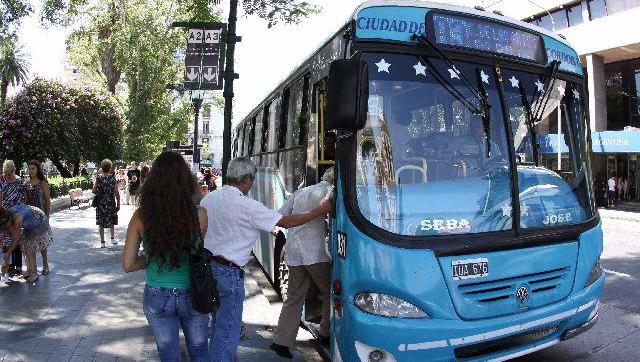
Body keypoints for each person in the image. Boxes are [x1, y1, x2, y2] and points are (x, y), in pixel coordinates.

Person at [200, 156, 332, 362]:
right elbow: (285, 222)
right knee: (228, 331)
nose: (252, 183)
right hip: (229, 274)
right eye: (252, 179)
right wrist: (320, 210)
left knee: (218, 326)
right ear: (245, 179)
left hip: (207, 270)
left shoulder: (209, 199)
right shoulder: (248, 206)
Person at [122, 151, 209, 362]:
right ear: (186, 180)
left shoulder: (141, 216)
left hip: (157, 295)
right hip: (193, 293)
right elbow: (195, 252)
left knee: (168, 354)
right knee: (199, 352)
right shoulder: (200, 214)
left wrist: (150, 258)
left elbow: (128, 264)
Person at [271, 167, 335, 359]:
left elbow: (279, 216)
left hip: (294, 252)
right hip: (316, 253)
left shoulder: (301, 191)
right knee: (330, 293)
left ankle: (281, 342)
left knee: (294, 297)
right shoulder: (330, 192)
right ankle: (325, 335)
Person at [1, 204, 53, 283]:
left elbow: (17, 239)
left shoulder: (17, 218)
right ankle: (30, 270)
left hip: (39, 219)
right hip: (29, 222)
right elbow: (12, 238)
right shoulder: (8, 218)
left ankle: (36, 272)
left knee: (33, 247)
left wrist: (8, 254)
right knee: (25, 246)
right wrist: (6, 260)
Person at [24, 160, 52, 275]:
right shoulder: (26, 184)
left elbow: (47, 200)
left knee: (42, 242)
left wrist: (47, 216)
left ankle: (45, 265)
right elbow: (25, 201)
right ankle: (31, 268)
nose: (31, 171)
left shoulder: (43, 182)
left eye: (33, 168)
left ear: (38, 169)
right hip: (29, 217)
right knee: (29, 242)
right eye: (29, 168)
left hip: (41, 217)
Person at [0, 160, 25, 276]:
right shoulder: (1, 180)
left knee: (17, 238)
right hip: (5, 214)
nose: (7, 176)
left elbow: (22, 197)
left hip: (16, 212)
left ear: (13, 170)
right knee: (7, 239)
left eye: (9, 173)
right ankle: (9, 265)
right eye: (6, 173)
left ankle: (18, 265)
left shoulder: (19, 181)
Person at [93, 159, 120, 248]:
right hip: (111, 202)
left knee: (101, 222)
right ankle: (112, 239)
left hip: (101, 203)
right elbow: (117, 193)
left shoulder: (99, 179)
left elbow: (93, 190)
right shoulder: (112, 179)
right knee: (111, 220)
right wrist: (118, 204)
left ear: (102, 167)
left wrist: (99, 191)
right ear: (110, 167)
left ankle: (102, 242)